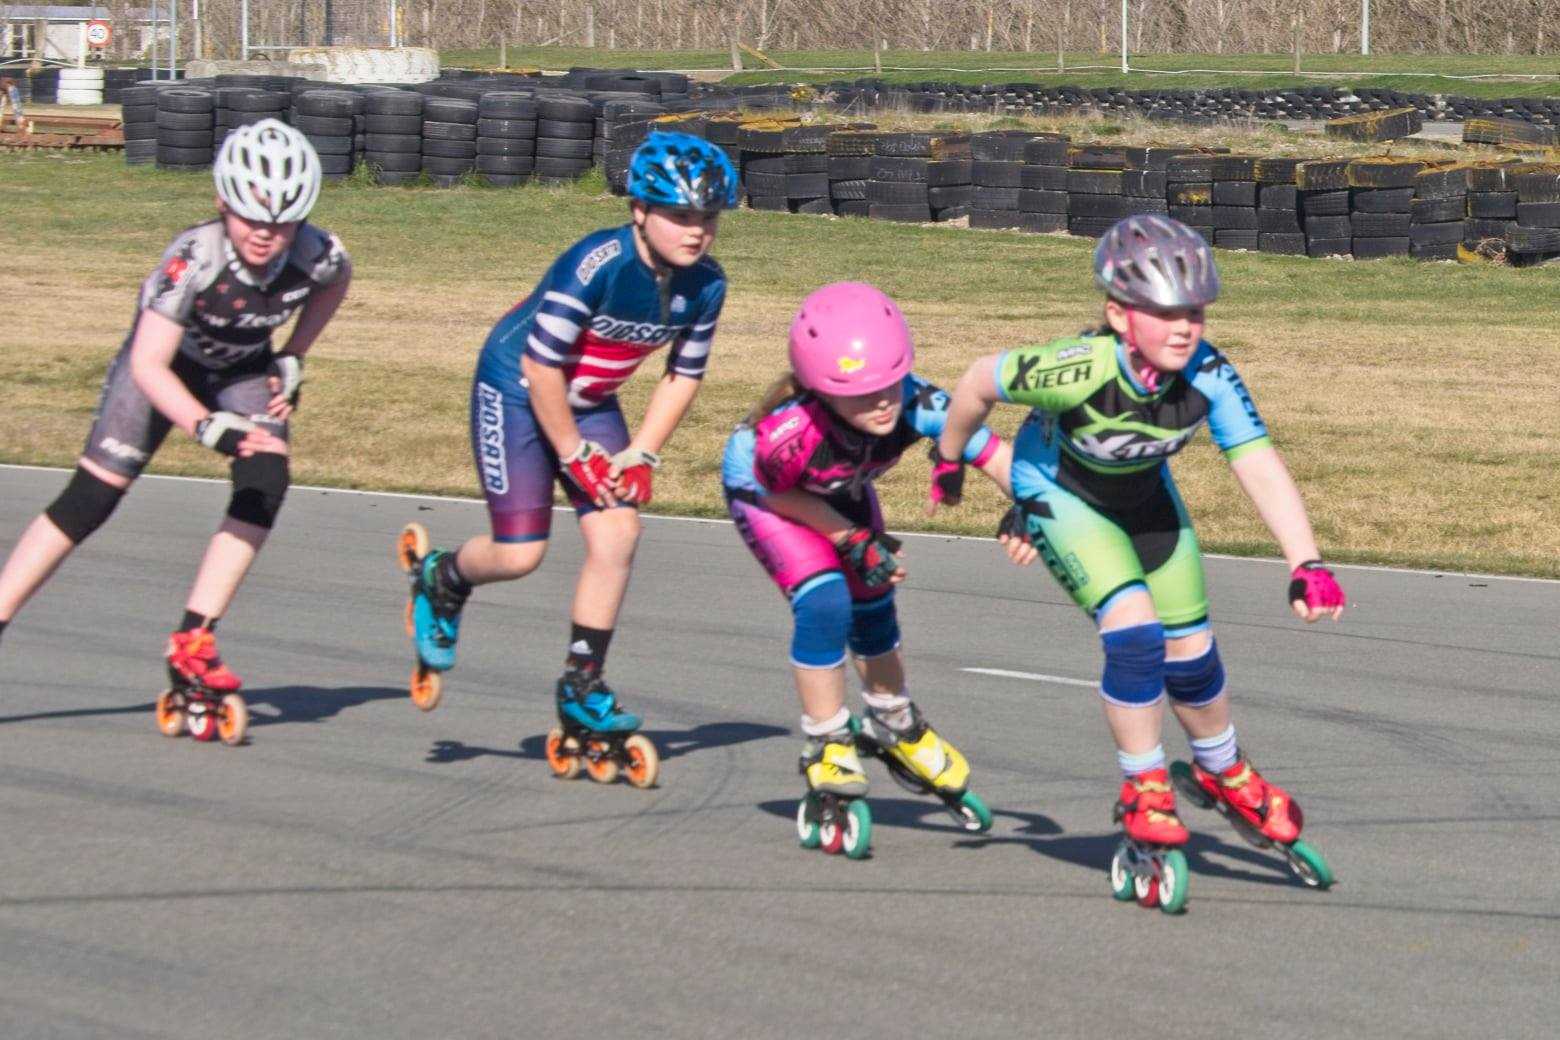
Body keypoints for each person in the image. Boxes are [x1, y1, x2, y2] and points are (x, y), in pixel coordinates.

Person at [935, 215, 1344, 891]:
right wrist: (949, 460)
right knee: (1134, 636)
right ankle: (1144, 786)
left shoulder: (1210, 376)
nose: (1185, 327)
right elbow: (979, 381)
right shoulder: (1076, 369)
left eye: (1195, 311)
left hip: (1144, 497)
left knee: (1193, 652)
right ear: (1120, 316)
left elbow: (1257, 460)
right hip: (1061, 493)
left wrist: (1306, 561)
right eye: (1165, 312)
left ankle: (1223, 769)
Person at [399, 131, 736, 777]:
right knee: (521, 553)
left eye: (708, 219)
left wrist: (642, 452)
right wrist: (573, 451)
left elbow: (682, 375)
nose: (696, 232)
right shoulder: (596, 263)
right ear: (639, 209)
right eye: (681, 216)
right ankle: (441, 578)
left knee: (618, 534)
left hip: (591, 400)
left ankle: (582, 685)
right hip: (518, 389)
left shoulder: (707, 285)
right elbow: (541, 363)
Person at [0, 119, 350, 708]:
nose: (265, 235)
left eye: (282, 223)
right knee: (92, 499)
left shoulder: (320, 253)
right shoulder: (190, 260)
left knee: (266, 479)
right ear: (221, 203)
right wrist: (204, 425)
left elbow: (336, 284)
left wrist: (294, 355)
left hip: (243, 370)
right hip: (162, 373)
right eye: (250, 218)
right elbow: (149, 366)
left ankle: (195, 640)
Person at [720, 282, 1013, 853]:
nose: (882, 403)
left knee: (874, 601)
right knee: (826, 598)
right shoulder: (787, 434)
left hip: (840, 487)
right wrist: (850, 537)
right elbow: (780, 497)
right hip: (771, 495)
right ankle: (827, 737)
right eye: (859, 394)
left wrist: (1028, 509)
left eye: (888, 385)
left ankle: (892, 718)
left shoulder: (917, 400)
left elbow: (993, 453)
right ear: (817, 390)